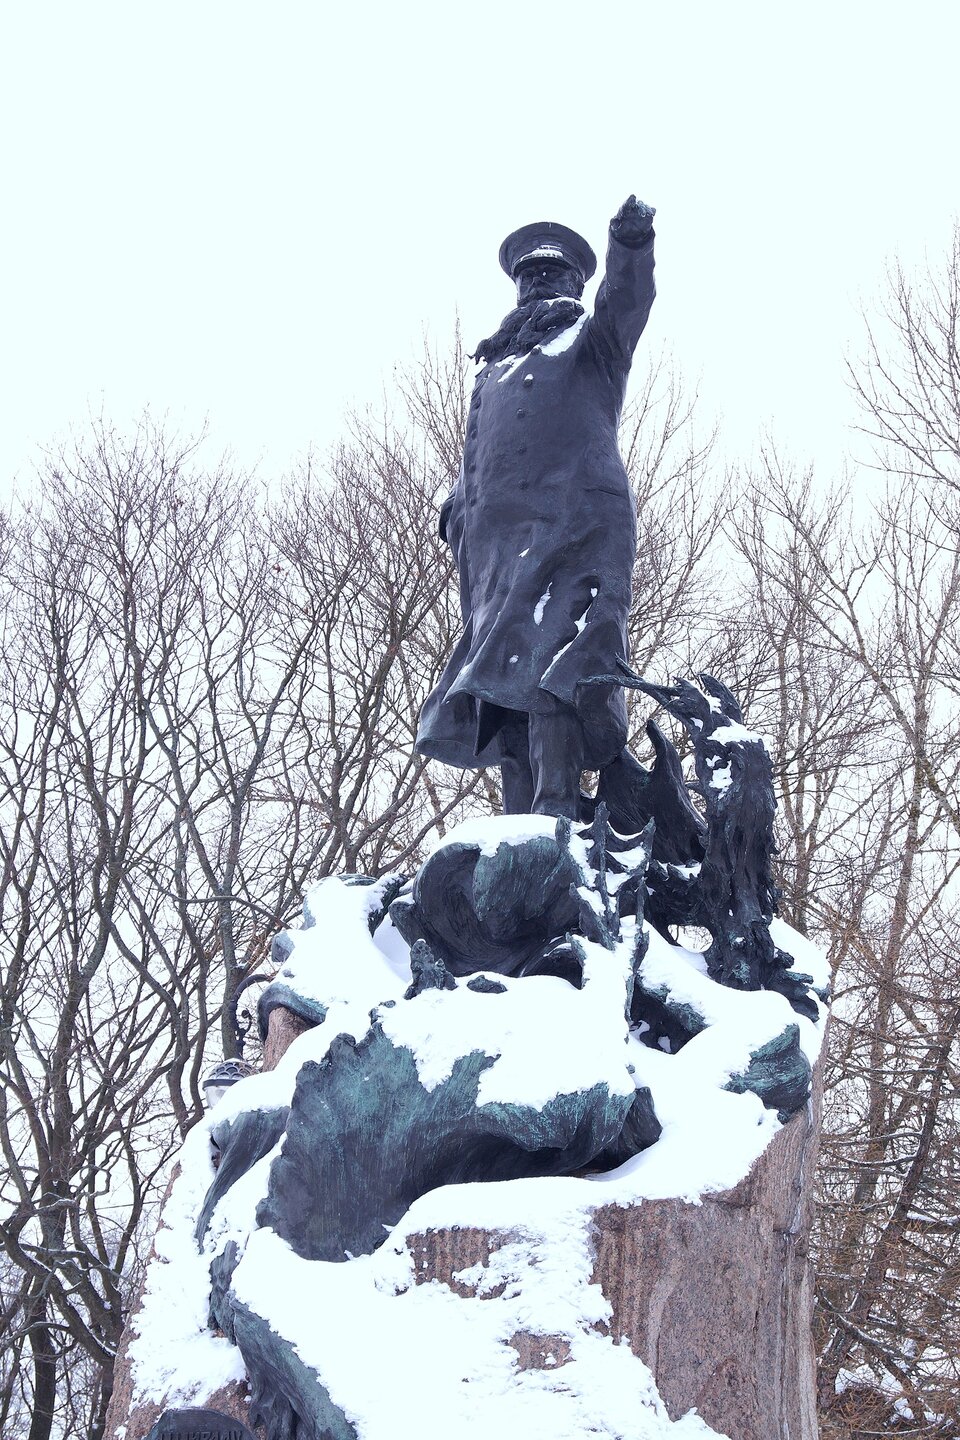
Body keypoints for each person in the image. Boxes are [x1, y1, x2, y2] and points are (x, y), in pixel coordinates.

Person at [416, 196, 656, 819]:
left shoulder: (593, 341)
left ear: (576, 283)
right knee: (503, 680)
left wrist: (630, 246)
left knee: (558, 663)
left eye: (551, 274)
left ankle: (555, 813)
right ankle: (518, 820)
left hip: (576, 525)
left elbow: (627, 303)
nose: (537, 284)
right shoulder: (494, 365)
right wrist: (459, 506)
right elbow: (485, 453)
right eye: (528, 276)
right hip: (498, 549)